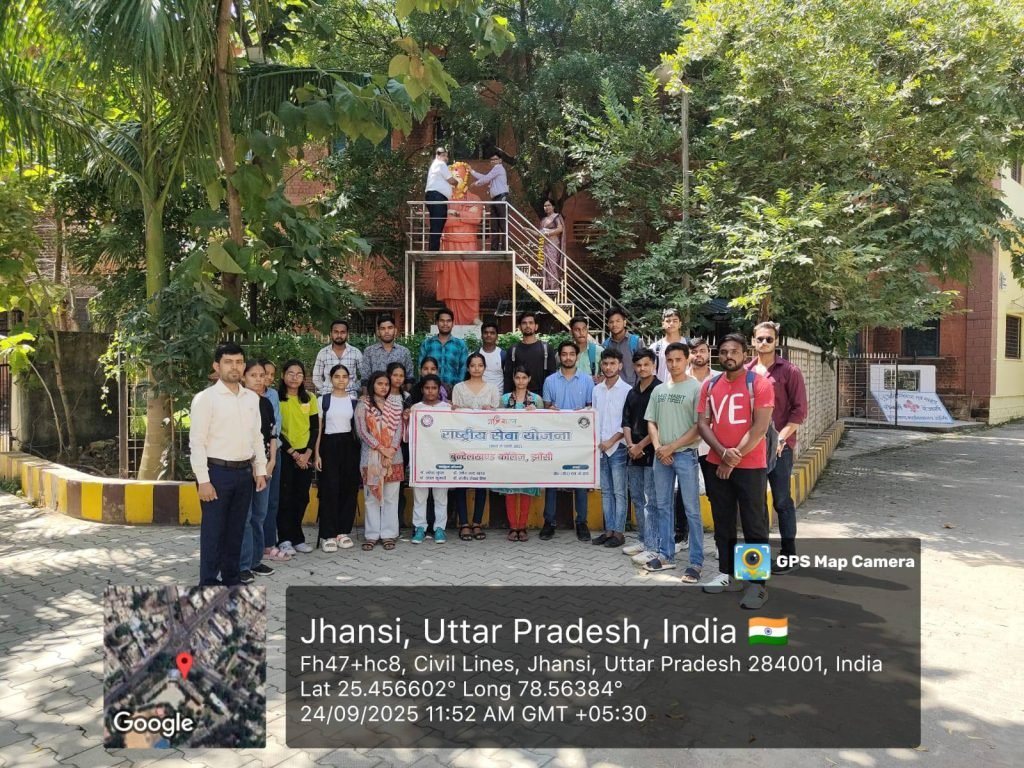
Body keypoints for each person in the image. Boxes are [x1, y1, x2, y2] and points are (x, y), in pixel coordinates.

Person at [698, 333, 774, 610]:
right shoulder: (710, 385)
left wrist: (732, 459)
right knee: (723, 521)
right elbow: (703, 423)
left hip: (750, 466)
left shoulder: (760, 384)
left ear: (744, 354)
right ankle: (728, 574)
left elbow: (760, 428)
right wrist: (721, 453)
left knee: (754, 524)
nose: (729, 356)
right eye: (724, 351)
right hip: (716, 464)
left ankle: (756, 584)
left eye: (734, 351)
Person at [189, 342, 267, 587]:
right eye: (228, 362)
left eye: (239, 362)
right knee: (214, 532)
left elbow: (257, 437)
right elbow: (197, 442)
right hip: (216, 473)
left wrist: (260, 470)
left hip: (244, 473)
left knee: (236, 531)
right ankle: (208, 583)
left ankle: (232, 580)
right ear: (217, 366)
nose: (234, 367)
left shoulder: (251, 398)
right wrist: (203, 480)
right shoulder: (205, 399)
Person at [745, 321, 807, 574]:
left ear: (776, 341)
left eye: (769, 339)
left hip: (780, 447)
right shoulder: (746, 371)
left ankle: (788, 554)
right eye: (760, 339)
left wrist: (781, 438)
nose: (764, 343)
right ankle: (757, 560)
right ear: (753, 341)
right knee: (755, 503)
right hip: (752, 447)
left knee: (781, 501)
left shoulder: (790, 371)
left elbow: (799, 411)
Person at [644, 342, 703, 578]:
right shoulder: (659, 390)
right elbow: (651, 422)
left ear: (687, 360)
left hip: (685, 455)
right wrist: (659, 448)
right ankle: (665, 555)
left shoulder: (697, 388)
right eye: (669, 360)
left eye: (678, 359)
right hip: (662, 457)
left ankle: (696, 562)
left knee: (691, 510)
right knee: (662, 506)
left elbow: (699, 426)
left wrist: (672, 447)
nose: (674, 364)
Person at [540, 341, 594, 541]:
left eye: (572, 354)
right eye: (564, 354)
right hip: (556, 438)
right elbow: (546, 408)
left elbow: (590, 408)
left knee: (580, 479)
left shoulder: (587, 380)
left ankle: (582, 522)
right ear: (559, 357)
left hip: (580, 439)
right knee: (552, 480)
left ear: (577, 357)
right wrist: (550, 410)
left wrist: (584, 411)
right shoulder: (550, 381)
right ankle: (549, 522)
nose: (568, 357)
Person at [451, 352, 500, 540]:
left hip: (484, 444)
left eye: (480, 365)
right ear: (468, 367)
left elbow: (497, 417)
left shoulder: (492, 389)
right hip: (462, 442)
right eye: (473, 365)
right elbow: (454, 415)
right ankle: (464, 523)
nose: (476, 369)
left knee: (481, 482)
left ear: (485, 368)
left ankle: (477, 523)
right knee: (461, 482)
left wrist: (491, 411)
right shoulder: (459, 388)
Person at [354, 371, 405, 551]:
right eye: (380, 384)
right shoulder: (363, 405)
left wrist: (391, 450)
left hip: (393, 457)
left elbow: (399, 429)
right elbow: (362, 431)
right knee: (371, 498)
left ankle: (389, 534)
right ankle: (372, 535)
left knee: (391, 497)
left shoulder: (395, 405)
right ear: (372, 385)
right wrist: (381, 448)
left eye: (386, 384)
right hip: (371, 457)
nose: (383, 387)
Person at [313, 364, 360, 552]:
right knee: (329, 489)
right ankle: (328, 534)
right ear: (330, 379)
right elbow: (318, 430)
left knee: (348, 489)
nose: (341, 380)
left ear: (349, 379)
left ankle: (343, 532)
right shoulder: (323, 400)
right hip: (329, 445)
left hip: (349, 446)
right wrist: (317, 453)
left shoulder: (354, 401)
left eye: (344, 376)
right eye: (337, 376)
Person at [621, 349, 661, 564]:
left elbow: (659, 424)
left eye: (646, 364)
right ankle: (644, 540)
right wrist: (631, 445)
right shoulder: (632, 392)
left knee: (651, 501)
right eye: (638, 365)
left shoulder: (660, 390)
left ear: (654, 365)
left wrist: (640, 446)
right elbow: (626, 421)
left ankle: (654, 546)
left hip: (653, 453)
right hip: (633, 453)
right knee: (637, 498)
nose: (642, 368)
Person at [495, 366, 544, 541]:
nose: (521, 381)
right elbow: (497, 423)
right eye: (518, 378)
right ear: (513, 379)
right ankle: (512, 527)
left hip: (529, 452)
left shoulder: (536, 400)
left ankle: (522, 526)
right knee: (510, 489)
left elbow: (543, 424)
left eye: (524, 377)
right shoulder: (505, 399)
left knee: (525, 489)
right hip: (509, 450)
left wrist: (536, 413)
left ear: (529, 379)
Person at [239, 361, 277, 583]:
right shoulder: (238, 403)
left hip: (264, 467)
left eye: (262, 375)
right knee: (244, 516)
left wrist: (271, 462)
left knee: (259, 515)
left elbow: (272, 435)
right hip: (244, 466)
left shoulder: (266, 403)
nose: (259, 379)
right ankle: (242, 565)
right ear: (243, 377)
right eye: (253, 375)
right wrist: (254, 465)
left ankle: (255, 560)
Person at [276, 360, 319, 554]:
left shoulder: (309, 398)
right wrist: (294, 453)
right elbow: (276, 431)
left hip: (305, 455)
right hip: (285, 453)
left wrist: (308, 453)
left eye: (299, 374)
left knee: (302, 497)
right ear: (283, 375)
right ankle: (284, 539)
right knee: (285, 497)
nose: (295, 377)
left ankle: (297, 538)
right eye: (290, 373)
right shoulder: (276, 398)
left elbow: (315, 428)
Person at [591, 349, 632, 548]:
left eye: (612, 363)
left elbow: (627, 422)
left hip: (618, 448)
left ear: (620, 366)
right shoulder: (597, 390)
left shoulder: (627, 390)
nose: (608, 367)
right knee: (606, 491)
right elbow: (594, 416)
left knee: (619, 492)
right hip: (601, 448)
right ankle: (608, 531)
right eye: (605, 363)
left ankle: (619, 533)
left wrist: (611, 440)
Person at [436, 162, 483, 324]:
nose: (455, 179)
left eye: (459, 175)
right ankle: (452, 317)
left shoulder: (475, 198)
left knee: (471, 280)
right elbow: (441, 221)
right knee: (451, 284)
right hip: (449, 244)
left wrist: (454, 213)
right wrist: (464, 215)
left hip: (468, 244)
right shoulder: (444, 198)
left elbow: (476, 218)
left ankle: (473, 316)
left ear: (465, 177)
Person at [406, 374, 450, 545]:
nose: (430, 391)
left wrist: (457, 411)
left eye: (434, 388)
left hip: (441, 459)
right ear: (422, 389)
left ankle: (439, 528)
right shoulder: (416, 409)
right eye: (427, 388)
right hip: (421, 459)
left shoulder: (447, 408)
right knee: (420, 496)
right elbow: (407, 436)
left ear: (439, 389)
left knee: (441, 496)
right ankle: (420, 528)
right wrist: (406, 417)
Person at [258, 359, 290, 563]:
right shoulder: (244, 396)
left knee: (272, 500)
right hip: (253, 455)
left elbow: (276, 424)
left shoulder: (273, 395)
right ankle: (255, 545)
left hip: (273, 451)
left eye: (271, 374)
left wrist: (272, 455)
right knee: (256, 504)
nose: (268, 378)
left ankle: (269, 544)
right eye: (264, 373)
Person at [503, 311, 556, 395]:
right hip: (518, 396)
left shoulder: (546, 349)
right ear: (519, 327)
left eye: (531, 323)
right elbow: (508, 378)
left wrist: (550, 398)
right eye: (524, 323)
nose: (528, 325)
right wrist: (507, 398)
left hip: (541, 395)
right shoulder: (513, 350)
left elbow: (552, 376)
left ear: (536, 326)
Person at [360, 314, 414, 393]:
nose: (387, 331)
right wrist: (366, 396)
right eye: (383, 328)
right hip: (375, 396)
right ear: (378, 332)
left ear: (395, 330)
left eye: (390, 328)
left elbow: (409, 378)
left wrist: (406, 396)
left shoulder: (404, 352)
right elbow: (365, 379)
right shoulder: (369, 352)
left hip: (398, 396)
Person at [418, 308, 469, 391]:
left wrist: (457, 389)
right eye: (442, 321)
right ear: (437, 323)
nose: (445, 324)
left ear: (453, 323)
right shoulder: (427, 344)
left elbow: (463, 369)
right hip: (431, 390)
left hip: (453, 390)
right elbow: (421, 368)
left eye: (448, 321)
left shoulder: (460, 345)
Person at [312, 319, 362, 397]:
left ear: (347, 334)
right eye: (336, 332)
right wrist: (325, 390)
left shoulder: (356, 352)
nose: (339, 335)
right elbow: (316, 377)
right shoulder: (323, 353)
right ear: (331, 334)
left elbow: (364, 375)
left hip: (350, 396)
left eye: (342, 332)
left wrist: (354, 387)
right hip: (328, 395)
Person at [470, 151, 510, 251]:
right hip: (495, 199)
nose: (493, 161)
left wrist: (476, 184)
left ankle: (504, 248)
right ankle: (494, 248)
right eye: (491, 160)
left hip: (501, 198)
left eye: (495, 159)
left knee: (502, 224)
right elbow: (485, 177)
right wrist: (472, 171)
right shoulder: (494, 172)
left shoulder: (498, 168)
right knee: (494, 225)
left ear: (500, 160)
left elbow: (486, 179)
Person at [424, 146, 457, 251]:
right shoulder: (440, 164)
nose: (446, 158)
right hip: (436, 197)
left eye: (446, 156)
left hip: (435, 196)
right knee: (437, 223)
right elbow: (451, 180)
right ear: (437, 155)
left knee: (437, 223)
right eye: (443, 155)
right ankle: (433, 250)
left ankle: (433, 249)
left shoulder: (435, 165)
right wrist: (457, 183)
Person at [603, 308, 643, 385]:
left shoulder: (636, 342)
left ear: (624, 323)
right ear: (608, 324)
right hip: (612, 389)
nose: (614, 325)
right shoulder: (605, 345)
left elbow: (643, 369)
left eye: (618, 321)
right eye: (611, 322)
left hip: (632, 389)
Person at [651, 308, 686, 384]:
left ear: (680, 324)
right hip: (662, 387)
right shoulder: (655, 347)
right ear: (663, 324)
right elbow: (651, 373)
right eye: (668, 321)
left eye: (675, 321)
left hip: (685, 387)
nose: (671, 323)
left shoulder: (687, 345)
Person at [539, 199, 566, 294]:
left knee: (553, 265)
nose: (546, 207)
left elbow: (560, 229)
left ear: (553, 206)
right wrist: (528, 230)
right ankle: (547, 288)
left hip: (553, 245)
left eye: (548, 205)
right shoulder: (543, 220)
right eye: (545, 206)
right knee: (545, 266)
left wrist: (548, 233)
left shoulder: (556, 217)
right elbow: (540, 233)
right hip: (544, 245)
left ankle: (554, 288)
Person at [570, 315, 602, 382]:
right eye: (577, 330)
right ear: (571, 332)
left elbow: (606, 377)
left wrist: (600, 379)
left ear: (587, 331)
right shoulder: (565, 354)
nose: (581, 333)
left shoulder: (599, 351)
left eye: (584, 329)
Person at [479, 320, 505, 394]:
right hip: (480, 396)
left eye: (492, 333)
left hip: (499, 397)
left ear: (497, 336)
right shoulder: (476, 355)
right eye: (486, 332)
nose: (489, 335)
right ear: (481, 336)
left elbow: (508, 378)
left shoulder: (503, 355)